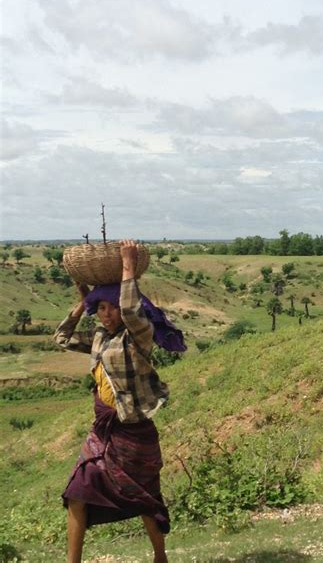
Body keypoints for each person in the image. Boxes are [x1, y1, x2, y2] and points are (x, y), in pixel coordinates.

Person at [54, 239, 186, 563]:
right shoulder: (99, 336)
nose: (108, 313)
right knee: (77, 491)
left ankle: (160, 557)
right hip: (102, 430)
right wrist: (83, 303)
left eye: (111, 306)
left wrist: (127, 268)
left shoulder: (137, 336)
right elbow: (62, 337)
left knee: (145, 497)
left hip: (134, 429)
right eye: (102, 308)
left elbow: (131, 310)